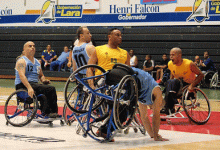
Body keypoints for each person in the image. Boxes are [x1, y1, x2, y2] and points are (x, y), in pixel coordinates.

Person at [87, 28, 168, 141]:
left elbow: (144, 117)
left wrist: (153, 136)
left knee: (126, 110)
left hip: (125, 82)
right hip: (104, 79)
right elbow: (89, 67)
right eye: (117, 34)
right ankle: (106, 127)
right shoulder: (99, 49)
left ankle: (106, 130)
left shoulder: (124, 53)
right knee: (124, 107)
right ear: (109, 36)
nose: (120, 37)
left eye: (121, 35)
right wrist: (91, 84)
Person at [15, 41, 59, 118]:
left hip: (34, 85)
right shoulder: (21, 61)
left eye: (34, 46)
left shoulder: (38, 62)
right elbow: (22, 76)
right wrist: (29, 87)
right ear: (24, 49)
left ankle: (51, 112)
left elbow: (41, 75)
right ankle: (48, 112)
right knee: (49, 89)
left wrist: (43, 80)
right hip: (23, 86)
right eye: (30, 46)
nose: (32, 47)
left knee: (48, 88)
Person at [161, 47, 204, 115]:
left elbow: (201, 75)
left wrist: (192, 86)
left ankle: (169, 106)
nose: (171, 57)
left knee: (173, 82)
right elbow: (172, 75)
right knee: (170, 82)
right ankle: (169, 107)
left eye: (173, 55)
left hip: (188, 87)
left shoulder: (189, 64)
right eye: (170, 55)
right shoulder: (170, 64)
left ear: (179, 55)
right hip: (177, 87)